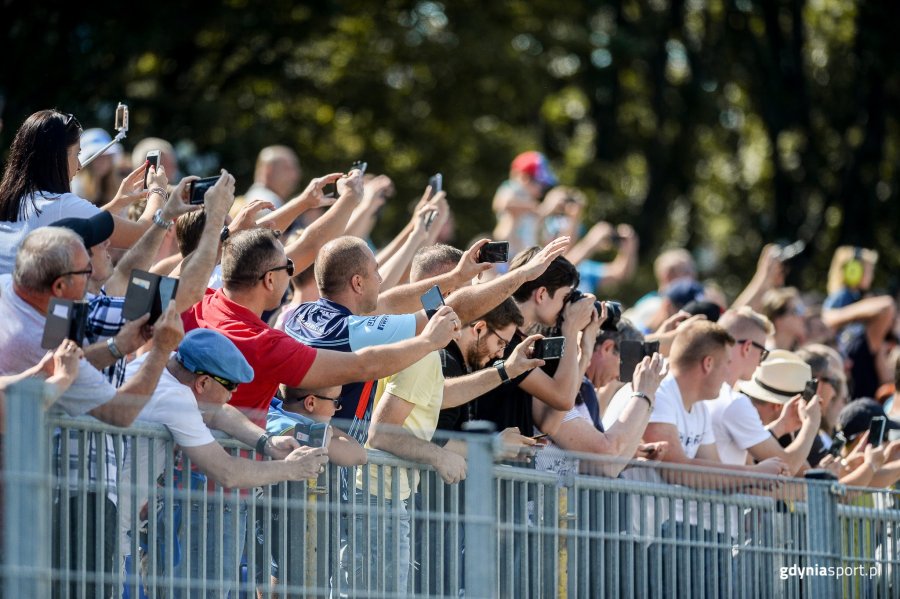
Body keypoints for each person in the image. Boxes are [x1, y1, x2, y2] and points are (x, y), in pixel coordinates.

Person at [284, 235, 570, 443]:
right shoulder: (354, 331)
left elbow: (391, 302)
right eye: (375, 272)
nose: (382, 278)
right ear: (357, 283)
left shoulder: (300, 315)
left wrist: (456, 276)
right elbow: (454, 311)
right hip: (330, 476)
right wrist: (521, 276)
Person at [118, 328, 329, 597]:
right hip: (112, 518)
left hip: (115, 514)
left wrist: (267, 442)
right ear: (203, 383)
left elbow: (218, 413)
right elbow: (226, 471)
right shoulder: (176, 399)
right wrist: (291, 469)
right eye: (230, 386)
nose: (233, 395)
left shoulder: (165, 365)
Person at [0, 110, 167, 273]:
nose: (79, 165)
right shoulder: (60, 204)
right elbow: (141, 235)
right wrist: (158, 191)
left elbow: (83, 224)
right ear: (58, 157)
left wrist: (117, 203)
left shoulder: (12, 199)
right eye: (77, 154)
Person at [706, 309, 822, 475]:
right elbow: (785, 467)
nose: (761, 363)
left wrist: (782, 425)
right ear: (747, 348)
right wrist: (811, 425)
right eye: (763, 353)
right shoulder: (733, 402)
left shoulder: (709, 390)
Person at [71, 128, 123, 207]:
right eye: (97, 156)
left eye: (107, 156)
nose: (103, 161)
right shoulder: (75, 187)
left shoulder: (115, 185)